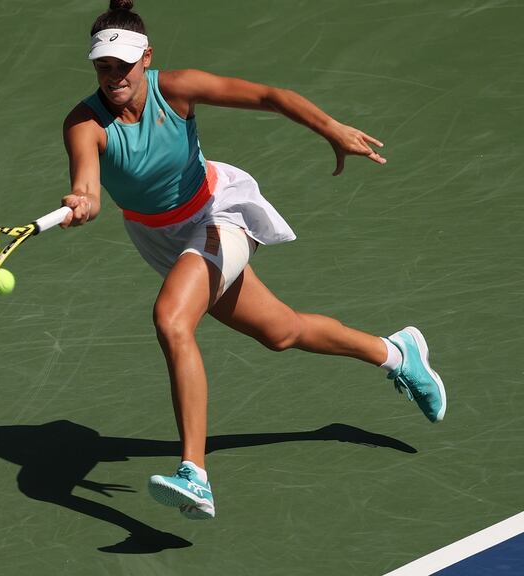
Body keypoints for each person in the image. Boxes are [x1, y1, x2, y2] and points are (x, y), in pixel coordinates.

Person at [59, 0, 446, 521]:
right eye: (103, 67)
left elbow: (270, 96)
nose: (113, 77)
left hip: (218, 213)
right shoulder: (84, 123)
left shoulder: (178, 89)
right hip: (160, 238)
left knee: (172, 320)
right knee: (281, 331)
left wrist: (331, 128)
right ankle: (397, 353)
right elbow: (88, 187)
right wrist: (83, 202)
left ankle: (193, 473)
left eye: (123, 65)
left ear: (146, 58)